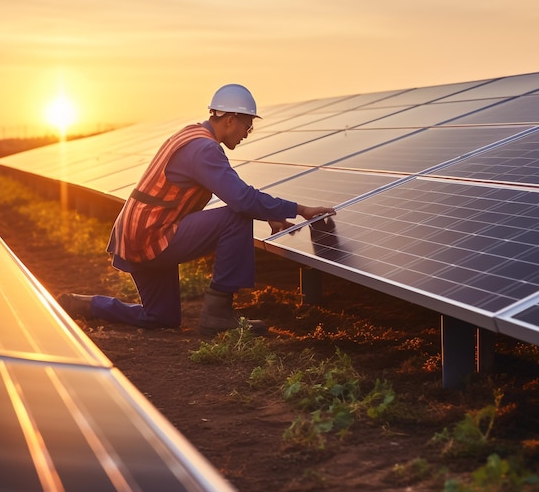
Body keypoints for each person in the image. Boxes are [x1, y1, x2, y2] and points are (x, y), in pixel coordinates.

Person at [58, 84, 334, 335]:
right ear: (230, 120)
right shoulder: (204, 150)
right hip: (152, 235)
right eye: (247, 127)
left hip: (135, 234)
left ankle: (88, 306)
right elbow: (241, 199)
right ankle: (219, 310)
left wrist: (272, 212)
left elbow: (235, 194)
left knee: (161, 317)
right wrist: (299, 209)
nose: (247, 134)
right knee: (234, 217)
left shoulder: (191, 134)